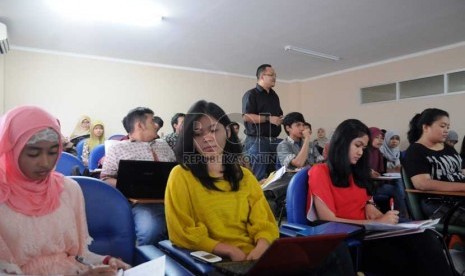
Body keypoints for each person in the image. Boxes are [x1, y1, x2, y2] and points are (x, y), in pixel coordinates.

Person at [165, 101, 354, 275]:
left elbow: (263, 221)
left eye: (214, 130)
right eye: (198, 133)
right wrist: (229, 250)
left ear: (228, 132)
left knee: (336, 249)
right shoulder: (181, 175)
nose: (207, 138)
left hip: (260, 254)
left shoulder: (244, 176)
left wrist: (262, 246)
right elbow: (182, 232)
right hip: (219, 261)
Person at [308, 118, 457, 275]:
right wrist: (374, 221)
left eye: (364, 148)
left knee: (426, 236)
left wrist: (381, 215)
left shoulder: (355, 173)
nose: (361, 152)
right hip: (353, 239)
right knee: (409, 257)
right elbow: (328, 219)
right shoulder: (320, 171)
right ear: (342, 143)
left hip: (372, 232)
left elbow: (367, 203)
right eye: (357, 146)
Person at [0, 106, 130, 275]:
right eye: (33, 154)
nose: (45, 163)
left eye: (54, 152)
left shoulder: (68, 190)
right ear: (10, 150)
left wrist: (106, 260)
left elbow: (78, 255)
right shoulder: (3, 196)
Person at [101, 107, 175, 246]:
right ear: (140, 125)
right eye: (152, 121)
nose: (156, 125)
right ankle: (148, 263)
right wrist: (129, 185)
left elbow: (175, 170)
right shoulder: (118, 148)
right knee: (151, 230)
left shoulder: (163, 144)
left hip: (173, 199)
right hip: (143, 203)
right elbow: (105, 178)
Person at [403, 108, 465, 226]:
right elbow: (422, 183)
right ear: (426, 127)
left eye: (448, 127)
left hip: (460, 197)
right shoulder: (416, 151)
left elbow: (460, 170)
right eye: (442, 126)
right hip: (439, 203)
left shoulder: (448, 148)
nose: (446, 130)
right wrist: (462, 187)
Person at [242, 64, 283, 181]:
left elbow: (277, 114)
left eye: (275, 75)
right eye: (271, 75)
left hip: (273, 140)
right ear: (262, 77)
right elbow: (246, 116)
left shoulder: (274, 95)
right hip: (257, 140)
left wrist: (280, 119)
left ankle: (276, 196)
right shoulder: (251, 94)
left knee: (278, 171)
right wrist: (269, 119)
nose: (274, 77)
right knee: (258, 177)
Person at [368, 127, 408, 218]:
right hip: (366, 186)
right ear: (369, 137)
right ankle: (403, 216)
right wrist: (369, 172)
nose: (380, 140)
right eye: (376, 137)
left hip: (376, 184)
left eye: (382, 138)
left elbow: (381, 172)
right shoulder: (364, 152)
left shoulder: (378, 152)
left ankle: (401, 216)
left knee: (399, 186)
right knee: (398, 189)